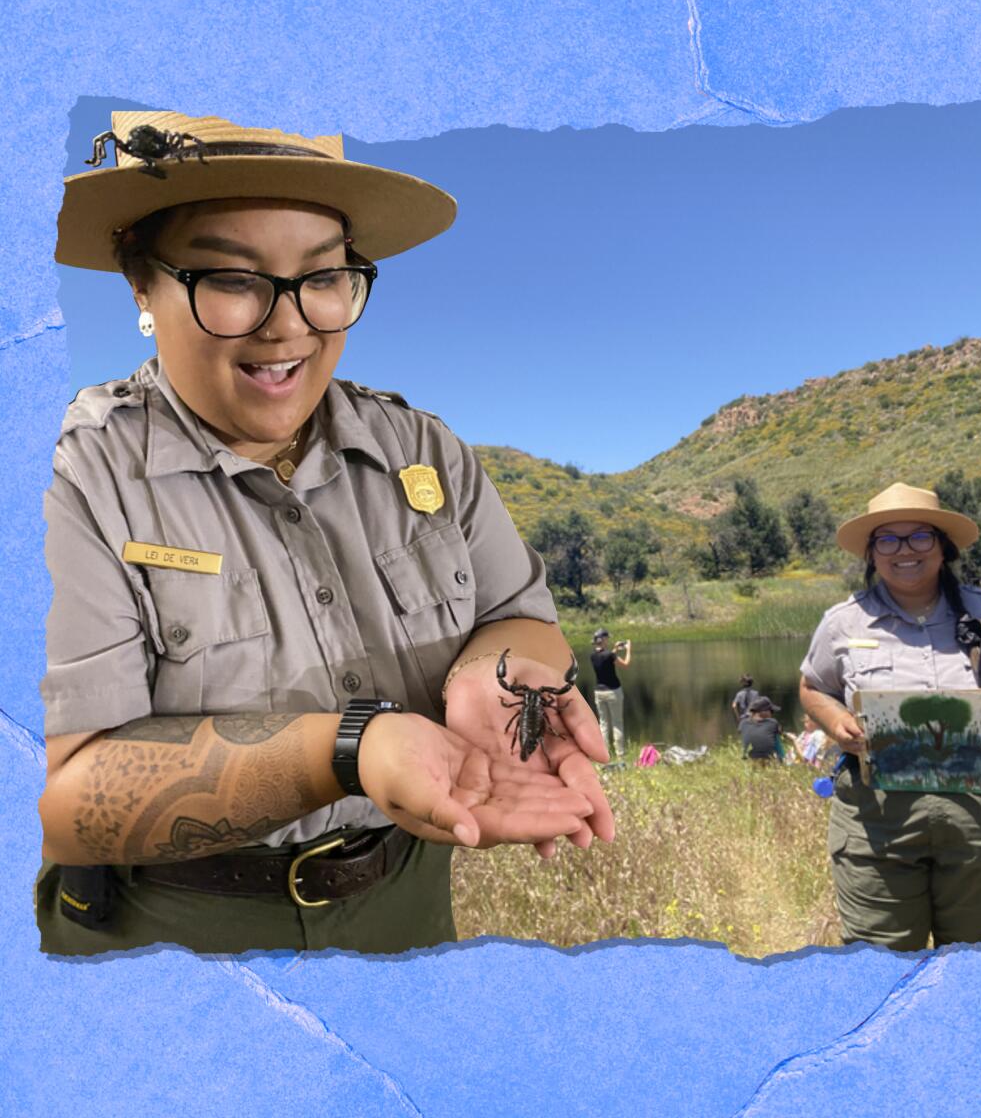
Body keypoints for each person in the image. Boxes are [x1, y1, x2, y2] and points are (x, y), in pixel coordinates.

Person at [37, 110, 614, 955]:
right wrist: (351, 752)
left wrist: (496, 674)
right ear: (141, 286)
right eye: (232, 278)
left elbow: (521, 618)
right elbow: (53, 802)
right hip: (164, 935)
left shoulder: (423, 451)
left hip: (406, 906)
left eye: (324, 276)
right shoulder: (70, 483)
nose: (288, 323)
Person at [799, 482, 981, 950]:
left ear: (943, 547)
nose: (905, 551)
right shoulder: (842, 622)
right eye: (888, 540)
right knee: (880, 972)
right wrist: (836, 724)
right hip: (878, 828)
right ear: (872, 554)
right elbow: (814, 687)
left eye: (920, 537)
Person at [590, 628, 631, 759]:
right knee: (617, 723)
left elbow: (607, 659)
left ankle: (605, 753)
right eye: (607, 638)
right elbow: (625, 664)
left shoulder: (593, 656)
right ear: (603, 640)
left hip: (599, 692)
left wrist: (615, 649)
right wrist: (629, 649)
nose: (608, 640)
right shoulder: (609, 655)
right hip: (613, 692)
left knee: (603, 724)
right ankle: (620, 754)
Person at [738, 696, 782, 767]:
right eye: (771, 711)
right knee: (776, 739)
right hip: (769, 762)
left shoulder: (743, 723)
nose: (772, 714)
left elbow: (742, 732)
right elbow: (779, 734)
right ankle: (782, 762)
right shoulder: (773, 723)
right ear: (764, 712)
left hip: (749, 763)